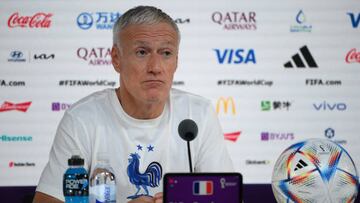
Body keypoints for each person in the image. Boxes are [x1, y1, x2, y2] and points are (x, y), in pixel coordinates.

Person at [33, 5, 233, 203]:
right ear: (116, 59)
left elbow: (229, 198)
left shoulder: (198, 114)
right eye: (142, 52)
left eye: (166, 53)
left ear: (176, 61)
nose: (155, 67)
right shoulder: (82, 118)